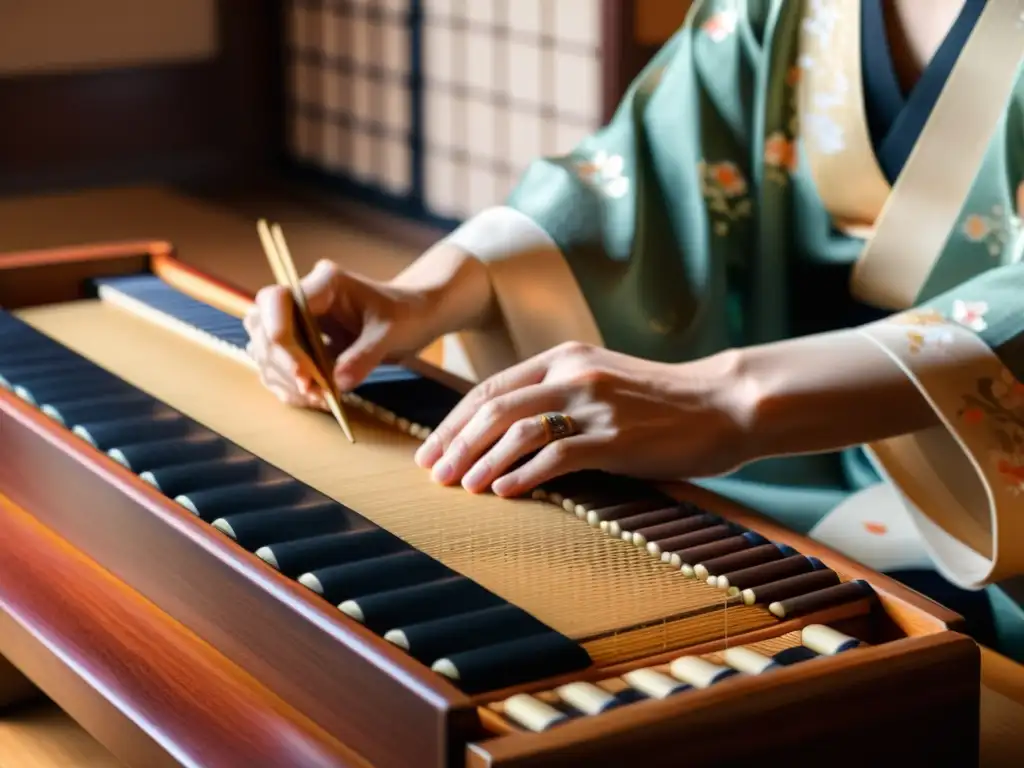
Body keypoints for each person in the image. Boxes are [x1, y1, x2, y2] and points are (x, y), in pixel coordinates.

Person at [245, 0, 1024, 659]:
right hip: (759, 462)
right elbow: (633, 176)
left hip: (978, 505)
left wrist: (729, 399)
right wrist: (422, 293)